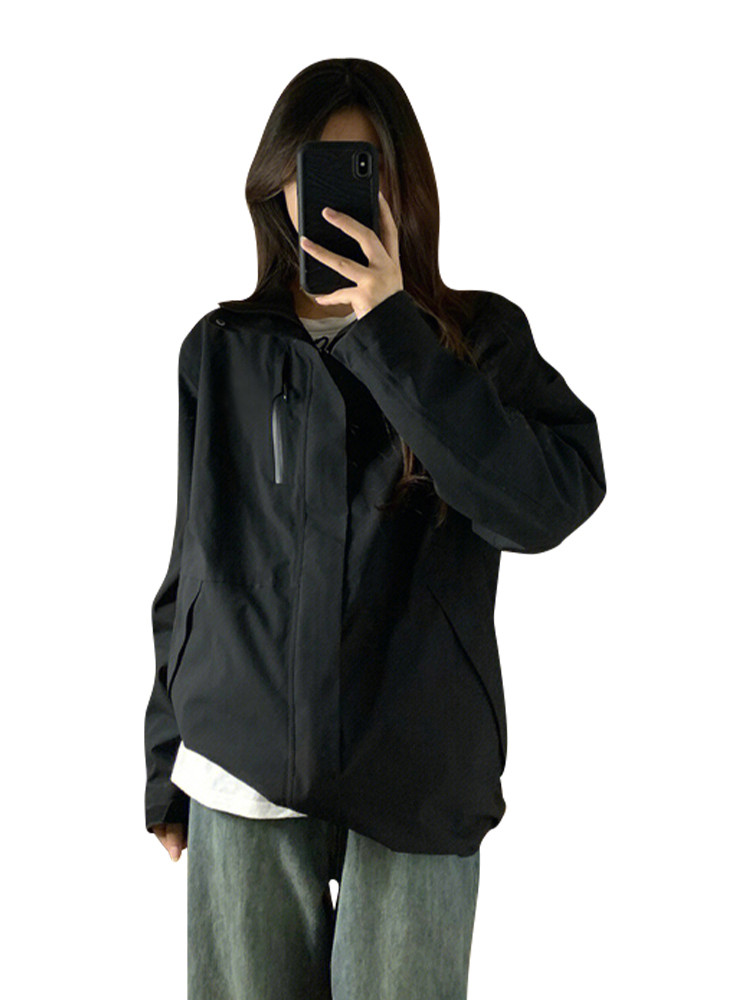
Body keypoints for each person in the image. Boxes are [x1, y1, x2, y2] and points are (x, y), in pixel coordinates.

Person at [144, 57, 606, 1000]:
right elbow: (192, 563)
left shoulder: (474, 340)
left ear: (402, 186)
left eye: (362, 172)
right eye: (313, 169)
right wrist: (165, 762)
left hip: (417, 770)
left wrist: (393, 328)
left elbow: (546, 505)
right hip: (241, 760)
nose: (334, 197)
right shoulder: (223, 349)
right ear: (279, 184)